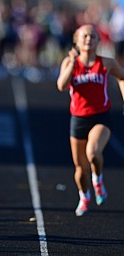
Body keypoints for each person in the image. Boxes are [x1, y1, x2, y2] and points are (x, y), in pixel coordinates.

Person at [57, 24, 124, 216]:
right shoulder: (70, 62)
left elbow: (122, 77)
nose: (88, 39)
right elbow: (61, 86)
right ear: (76, 40)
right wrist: (70, 64)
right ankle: (84, 196)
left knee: (93, 152)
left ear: (98, 40)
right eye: (84, 36)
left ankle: (98, 179)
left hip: (100, 117)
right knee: (80, 169)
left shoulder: (106, 63)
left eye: (93, 36)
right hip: (78, 119)